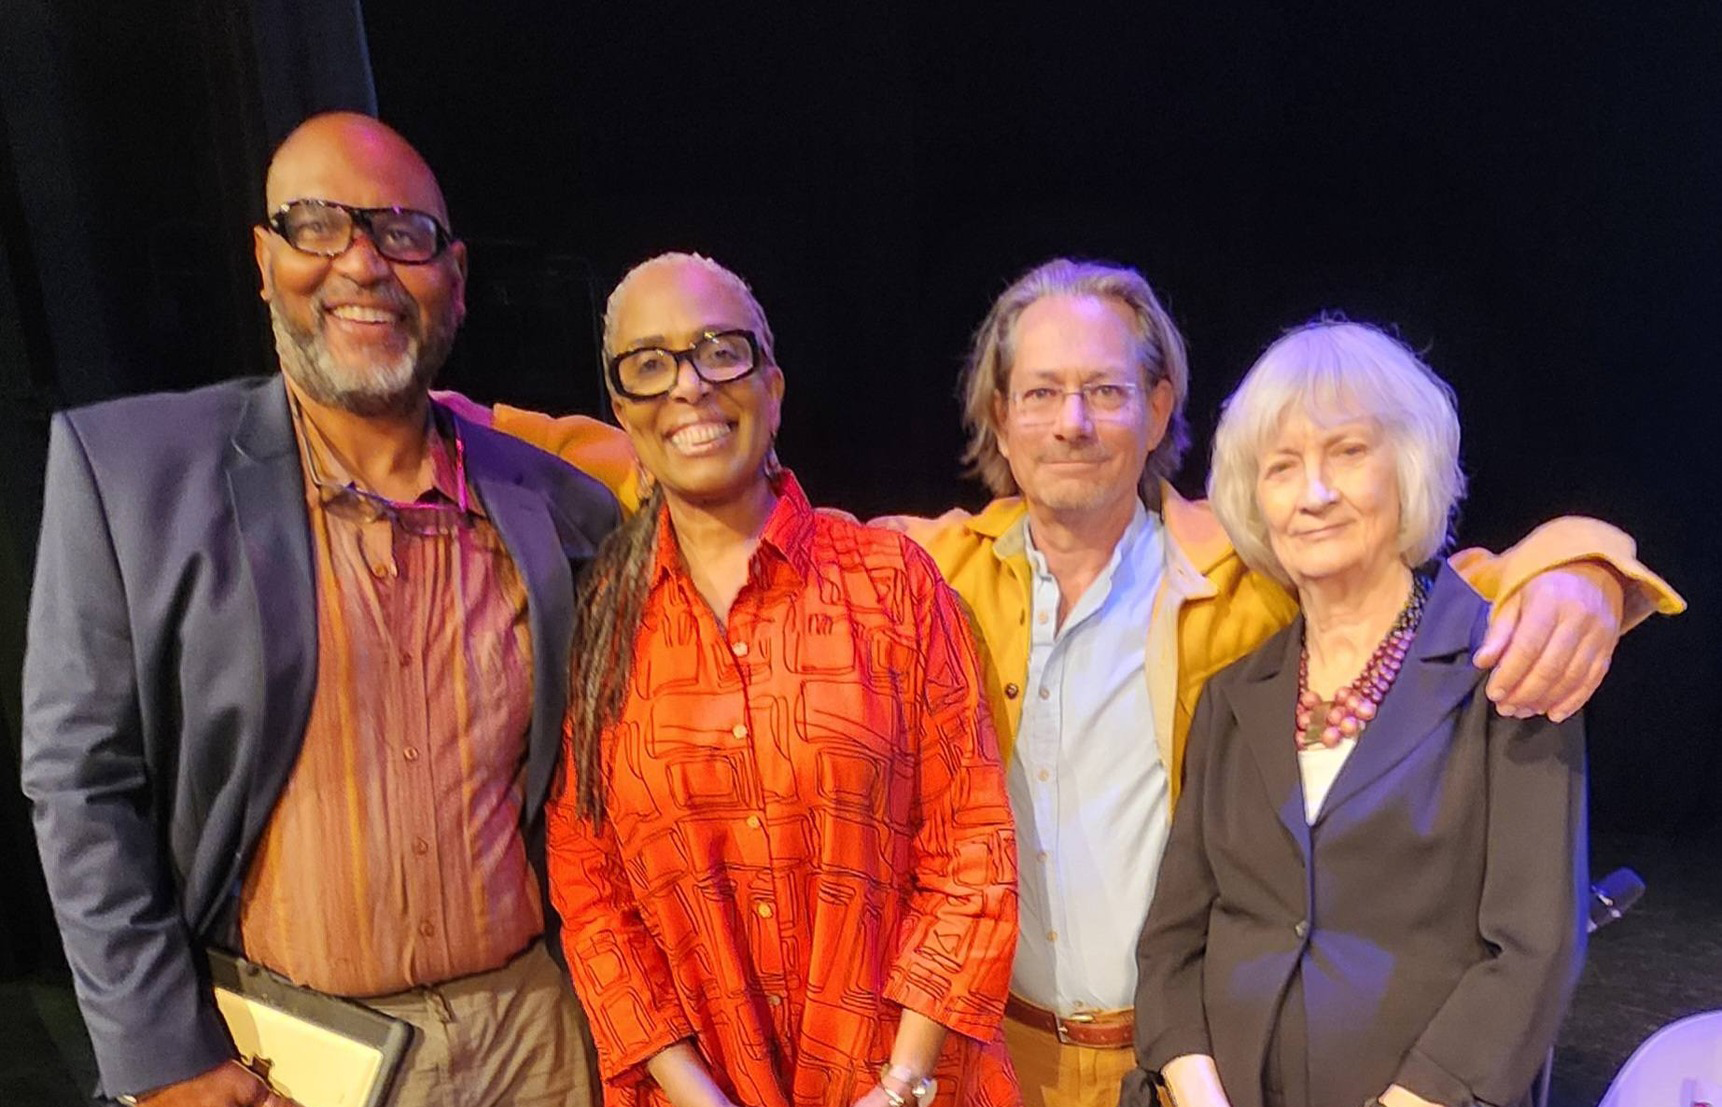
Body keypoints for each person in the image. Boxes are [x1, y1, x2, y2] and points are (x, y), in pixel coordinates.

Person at [456, 257, 1683, 1107]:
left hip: (1175, 1063)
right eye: (1040, 392)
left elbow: (1436, 575)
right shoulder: (925, 569)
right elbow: (652, 459)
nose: (1073, 419)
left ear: (1160, 408)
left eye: (1107, 389)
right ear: (999, 415)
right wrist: (434, 418)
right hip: (991, 1060)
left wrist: (1582, 573)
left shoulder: (1242, 575)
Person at [21, 112, 618, 1107]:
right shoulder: (131, 477)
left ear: (456, 277)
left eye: (402, 234)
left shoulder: (562, 508)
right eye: (318, 225)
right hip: (287, 1060)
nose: (362, 263)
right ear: (264, 260)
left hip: (540, 1044)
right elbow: (80, 789)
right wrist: (163, 1055)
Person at [543, 253, 1020, 1107]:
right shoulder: (603, 627)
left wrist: (901, 1083)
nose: (688, 387)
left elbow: (972, 848)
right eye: (649, 365)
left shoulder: (892, 584)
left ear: (773, 385)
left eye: (719, 351)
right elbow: (593, 895)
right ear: (622, 410)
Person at [1125, 320, 1599, 1107]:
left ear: (1408, 468)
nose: (1314, 493)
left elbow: (1533, 949)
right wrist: (1197, 1092)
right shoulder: (1234, 696)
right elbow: (1173, 940)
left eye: (1348, 452)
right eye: (1283, 467)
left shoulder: (1505, 666)